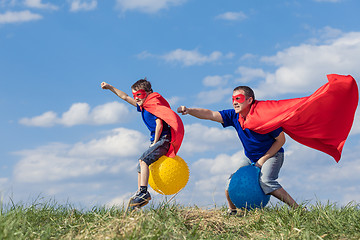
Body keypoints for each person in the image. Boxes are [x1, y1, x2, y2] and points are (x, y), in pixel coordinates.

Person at [177, 86, 299, 214]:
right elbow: (210, 114)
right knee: (231, 182)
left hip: (273, 154)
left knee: (266, 181)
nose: (235, 102)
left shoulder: (264, 117)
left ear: (249, 100)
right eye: (233, 99)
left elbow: (281, 141)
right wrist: (189, 110)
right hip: (251, 157)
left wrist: (262, 160)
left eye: (238, 98)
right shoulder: (234, 116)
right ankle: (232, 212)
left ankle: (299, 210)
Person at [101, 78, 184, 210]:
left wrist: (155, 142)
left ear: (148, 93)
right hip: (158, 140)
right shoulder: (143, 107)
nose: (136, 98)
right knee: (140, 166)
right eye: (135, 95)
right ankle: (140, 192)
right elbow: (125, 97)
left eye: (139, 95)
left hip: (163, 139)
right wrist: (110, 87)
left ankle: (144, 192)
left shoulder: (153, 106)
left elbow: (159, 124)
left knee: (143, 160)